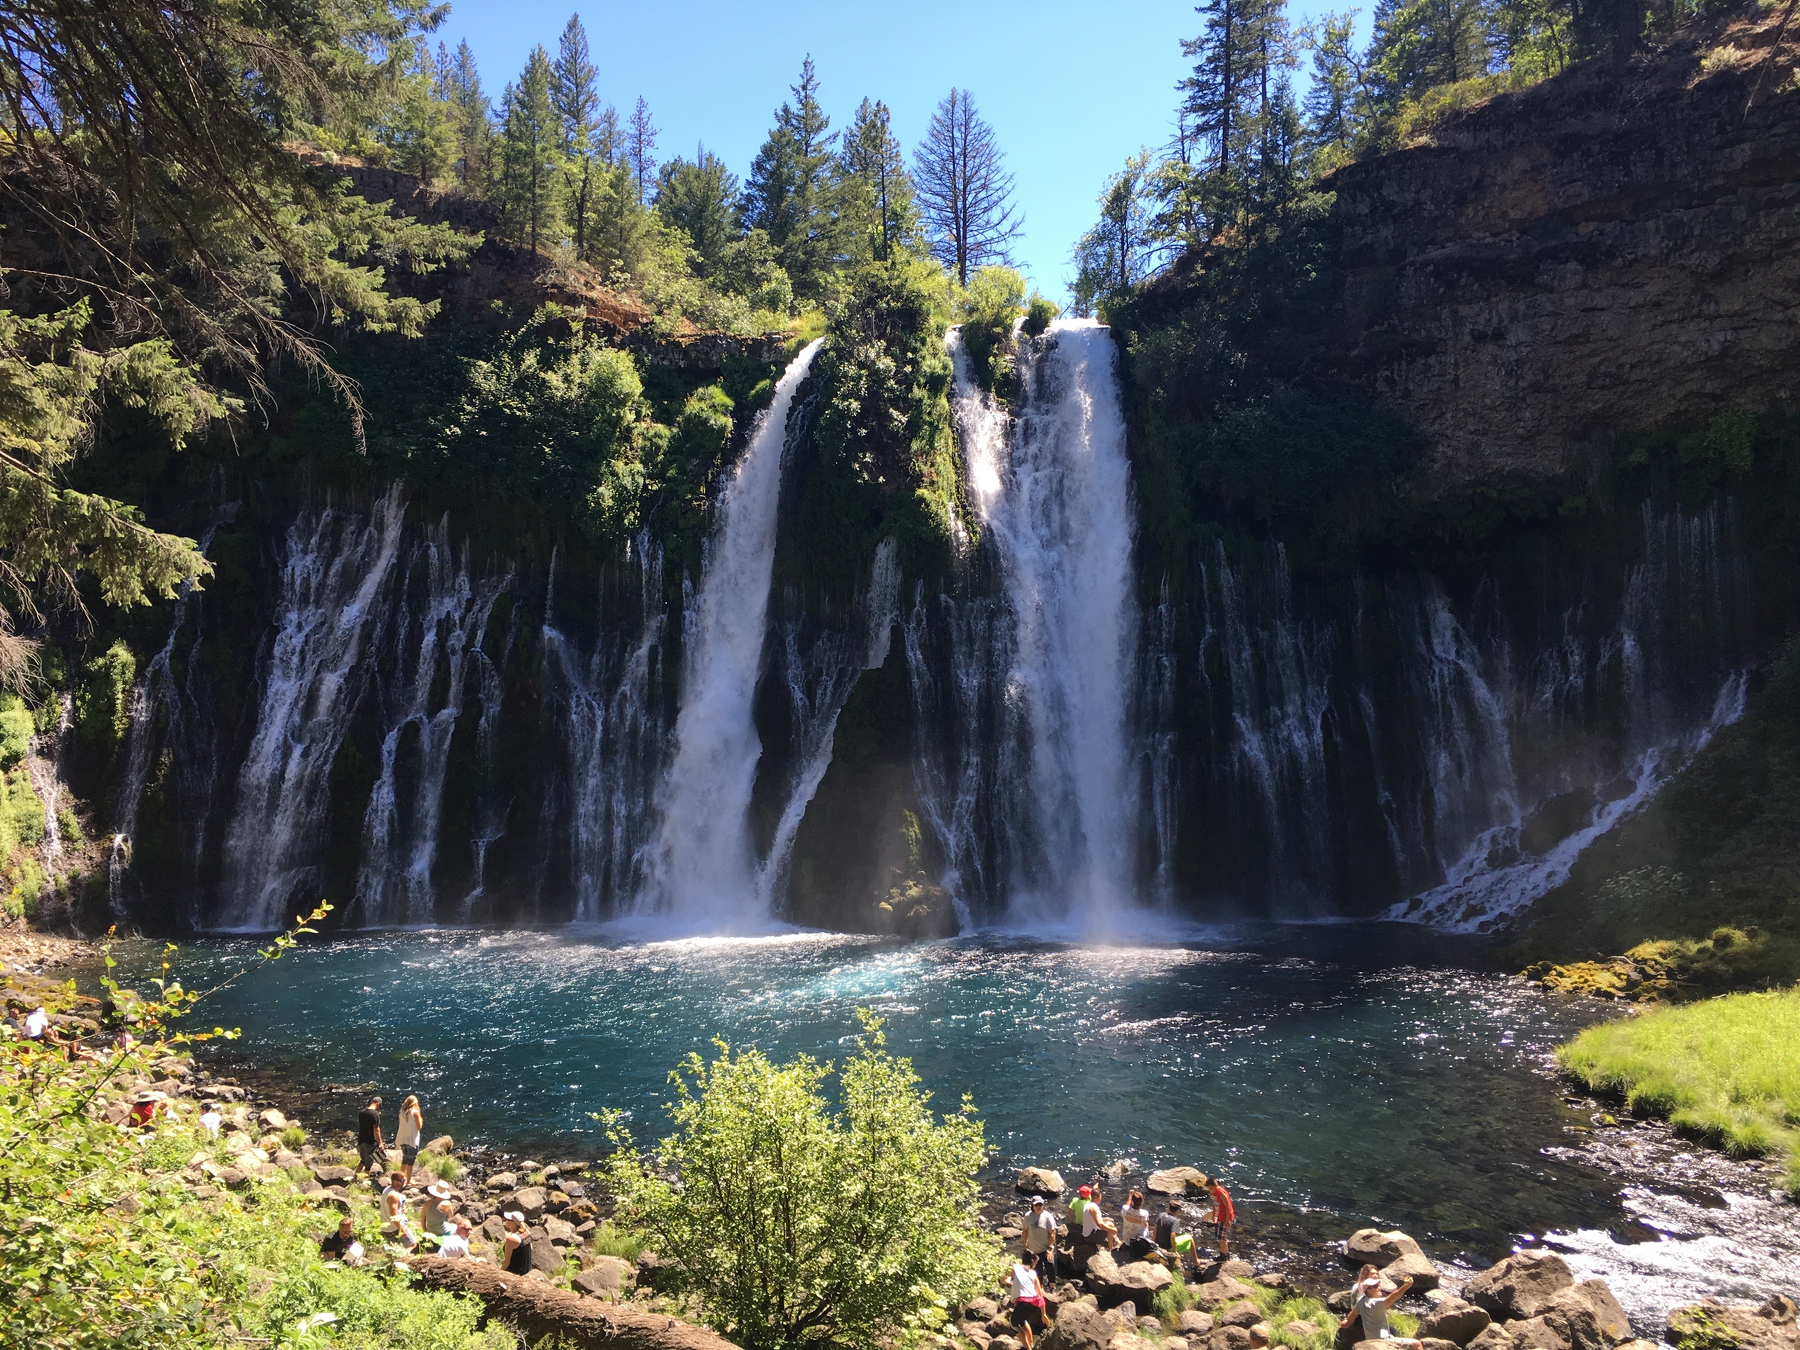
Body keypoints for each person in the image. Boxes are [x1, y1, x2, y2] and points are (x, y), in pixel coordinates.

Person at [1342, 1267, 1419, 1346]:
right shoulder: (1376, 1303)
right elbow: (1393, 1297)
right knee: (1417, 1344)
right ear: (1368, 1291)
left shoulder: (1361, 1301)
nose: (1379, 1288)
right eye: (1376, 1286)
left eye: (1378, 1286)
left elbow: (1353, 1315)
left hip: (1371, 1341)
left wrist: (1346, 1323)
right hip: (1384, 1341)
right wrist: (1405, 1286)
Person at [1009, 1250, 1049, 1349]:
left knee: (1013, 1325)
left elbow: (1006, 1277)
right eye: (1035, 1263)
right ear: (1032, 1262)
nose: (1035, 1266)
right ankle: (1031, 1344)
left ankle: (1028, 1348)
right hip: (1034, 1305)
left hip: (1024, 1303)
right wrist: (1043, 1314)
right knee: (1022, 1321)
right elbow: (1039, 1294)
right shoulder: (1033, 1273)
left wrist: (1008, 1280)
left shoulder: (1016, 1267)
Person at [1023, 1195, 1060, 1282]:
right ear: (1032, 1206)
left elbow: (1052, 1233)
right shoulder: (1028, 1216)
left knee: (1050, 1268)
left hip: (1046, 1249)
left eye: (1040, 1205)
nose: (1039, 1207)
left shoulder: (1048, 1217)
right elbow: (1025, 1230)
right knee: (1037, 1272)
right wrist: (1025, 1243)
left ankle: (1052, 1287)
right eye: (1036, 1205)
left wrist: (1050, 1248)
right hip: (1033, 1250)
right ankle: (1040, 1288)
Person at [1200, 1173, 1236, 1258]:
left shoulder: (1221, 1193)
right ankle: (1225, 1253)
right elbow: (1215, 1204)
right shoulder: (1214, 1193)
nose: (1210, 1190)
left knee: (1222, 1238)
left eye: (1210, 1188)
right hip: (1220, 1216)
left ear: (1215, 1185)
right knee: (1220, 1236)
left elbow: (1227, 1207)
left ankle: (1223, 1255)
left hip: (1225, 1217)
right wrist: (1214, 1215)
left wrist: (1227, 1220)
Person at [381, 1170, 417, 1249]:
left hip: (387, 1228)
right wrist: (401, 1229)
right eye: (402, 1181)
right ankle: (406, 1256)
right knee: (413, 1245)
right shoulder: (393, 1195)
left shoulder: (386, 1190)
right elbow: (394, 1215)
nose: (404, 1183)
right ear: (394, 1181)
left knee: (393, 1250)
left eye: (404, 1180)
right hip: (395, 1228)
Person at [1119, 1189, 1157, 1260]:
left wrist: (1129, 1199)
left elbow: (1126, 1206)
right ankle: (1146, 1240)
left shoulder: (1124, 1210)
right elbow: (1146, 1221)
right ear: (1142, 1202)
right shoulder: (1144, 1213)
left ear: (1132, 1201)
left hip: (1127, 1239)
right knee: (1146, 1224)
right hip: (1139, 1241)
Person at [395, 1094, 424, 1184]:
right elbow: (419, 1126)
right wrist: (421, 1119)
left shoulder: (401, 1112)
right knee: (410, 1162)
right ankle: (408, 1181)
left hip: (403, 1138)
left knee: (404, 1159)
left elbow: (400, 1123)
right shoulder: (415, 1113)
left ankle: (400, 1179)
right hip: (412, 1140)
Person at [1081, 1186, 1121, 1251]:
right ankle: (1111, 1248)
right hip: (1090, 1237)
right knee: (1110, 1225)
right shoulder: (1094, 1208)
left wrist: (1095, 1187)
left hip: (1088, 1233)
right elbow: (1100, 1224)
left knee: (1110, 1220)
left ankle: (1116, 1240)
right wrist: (1112, 1230)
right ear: (1100, 1197)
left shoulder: (1089, 1204)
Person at [356, 1096, 384, 1176]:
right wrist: (380, 1143)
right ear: (378, 1104)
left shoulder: (361, 1113)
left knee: (362, 1161)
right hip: (370, 1142)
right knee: (368, 1166)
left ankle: (354, 1178)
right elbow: (376, 1129)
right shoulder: (375, 1114)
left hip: (361, 1140)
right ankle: (365, 1181)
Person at [501, 1211, 533, 1275]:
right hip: (527, 1270)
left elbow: (507, 1262)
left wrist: (499, 1271)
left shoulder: (511, 1239)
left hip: (515, 1273)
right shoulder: (526, 1231)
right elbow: (531, 1249)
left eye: (508, 1219)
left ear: (513, 1223)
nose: (506, 1220)